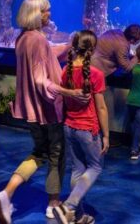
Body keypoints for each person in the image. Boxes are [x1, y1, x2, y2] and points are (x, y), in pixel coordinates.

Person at [0, 0, 88, 224]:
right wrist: (69, 92)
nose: (49, 15)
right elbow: (39, 80)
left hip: (31, 111)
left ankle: (7, 193)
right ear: (37, 13)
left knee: (39, 153)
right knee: (56, 155)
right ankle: (53, 203)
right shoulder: (37, 40)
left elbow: (45, 55)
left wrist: (67, 46)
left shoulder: (23, 38)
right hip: (47, 110)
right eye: (46, 11)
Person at [53, 30, 109, 224]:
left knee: (77, 170)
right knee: (95, 167)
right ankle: (69, 206)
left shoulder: (64, 70)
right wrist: (107, 136)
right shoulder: (96, 74)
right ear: (92, 50)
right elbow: (101, 107)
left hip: (69, 127)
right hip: (88, 129)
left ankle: (78, 216)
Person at [91, 24, 140, 146]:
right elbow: (127, 67)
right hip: (99, 72)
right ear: (133, 39)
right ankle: (103, 139)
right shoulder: (123, 45)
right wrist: (138, 57)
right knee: (104, 106)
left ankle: (98, 137)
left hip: (91, 68)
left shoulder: (116, 32)